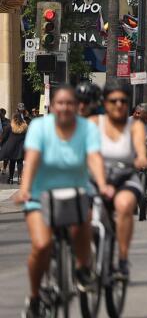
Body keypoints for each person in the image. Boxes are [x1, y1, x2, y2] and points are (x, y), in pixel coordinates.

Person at [17, 85, 113, 318]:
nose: (65, 108)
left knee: (84, 223)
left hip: (74, 192)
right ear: (52, 106)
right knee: (41, 246)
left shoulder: (86, 129)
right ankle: (34, 297)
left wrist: (102, 184)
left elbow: (94, 158)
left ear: (77, 106)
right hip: (40, 195)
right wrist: (25, 189)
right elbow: (32, 159)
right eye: (60, 103)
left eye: (70, 103)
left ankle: (82, 269)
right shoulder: (39, 127)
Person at [91, 81, 147, 280]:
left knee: (124, 205)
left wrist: (141, 158)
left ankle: (122, 258)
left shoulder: (135, 126)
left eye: (123, 101)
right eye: (113, 100)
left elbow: (141, 150)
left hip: (124, 177)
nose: (118, 105)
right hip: (95, 179)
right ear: (105, 103)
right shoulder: (93, 123)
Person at [3, 107, 29, 184]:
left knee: (12, 162)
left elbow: (4, 137)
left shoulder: (9, 127)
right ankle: (20, 179)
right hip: (21, 147)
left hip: (12, 147)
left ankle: (11, 179)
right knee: (20, 162)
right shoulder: (25, 127)